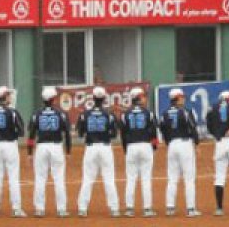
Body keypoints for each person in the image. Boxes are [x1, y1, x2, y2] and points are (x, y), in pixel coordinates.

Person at [76, 87, 120, 217]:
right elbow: (114, 134)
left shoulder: (85, 114)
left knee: (88, 179)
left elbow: (80, 133)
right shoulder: (109, 114)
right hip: (105, 147)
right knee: (109, 179)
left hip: (90, 148)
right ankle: (114, 208)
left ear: (93, 98)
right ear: (104, 98)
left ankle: (82, 208)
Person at [29, 86, 71, 218]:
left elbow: (31, 135)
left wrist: (29, 153)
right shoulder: (61, 114)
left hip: (41, 147)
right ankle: (61, 209)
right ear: (53, 99)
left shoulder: (37, 114)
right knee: (59, 179)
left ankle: (39, 209)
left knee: (40, 179)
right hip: (56, 147)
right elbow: (68, 134)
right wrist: (68, 151)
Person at [159, 88, 200, 218]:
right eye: (182, 97)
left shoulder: (164, 113)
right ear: (176, 98)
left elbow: (163, 131)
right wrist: (196, 143)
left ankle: (170, 208)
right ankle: (191, 209)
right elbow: (193, 128)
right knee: (189, 178)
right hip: (185, 144)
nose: (184, 99)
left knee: (172, 178)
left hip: (172, 145)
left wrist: (169, 143)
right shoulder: (186, 112)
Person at [0, 87, 25, 218]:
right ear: (5, 96)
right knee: (13, 177)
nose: (10, 97)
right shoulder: (12, 112)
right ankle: (16, 209)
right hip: (10, 145)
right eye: (8, 95)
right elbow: (21, 131)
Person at [119, 87, 158, 218]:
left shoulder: (125, 114)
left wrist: (125, 149)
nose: (145, 98)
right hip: (146, 146)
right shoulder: (149, 113)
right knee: (146, 179)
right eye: (143, 96)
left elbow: (123, 134)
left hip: (131, 147)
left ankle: (129, 209)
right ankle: (147, 209)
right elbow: (154, 133)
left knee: (131, 179)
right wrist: (154, 148)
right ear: (138, 97)